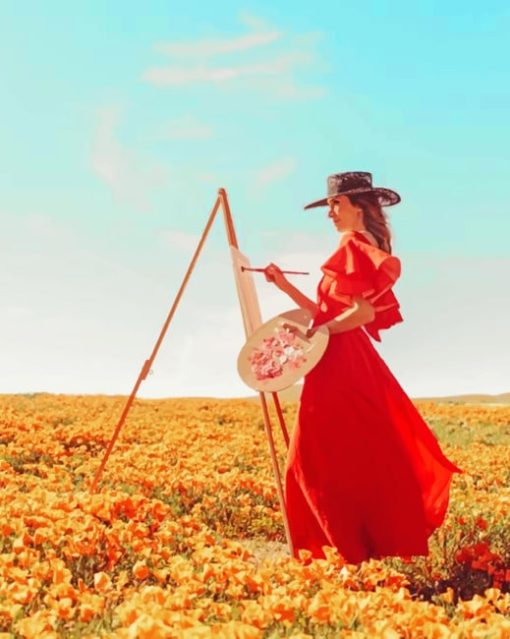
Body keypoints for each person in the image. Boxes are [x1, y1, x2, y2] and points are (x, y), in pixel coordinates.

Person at [264, 171, 464, 564]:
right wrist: (285, 287)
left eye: (336, 205)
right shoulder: (356, 246)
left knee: (312, 455)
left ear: (359, 207)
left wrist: (319, 332)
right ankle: (353, 549)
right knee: (345, 453)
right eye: (330, 206)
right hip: (340, 358)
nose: (331, 213)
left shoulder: (354, 245)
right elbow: (329, 312)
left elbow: (362, 313)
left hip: (341, 361)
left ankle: (344, 549)